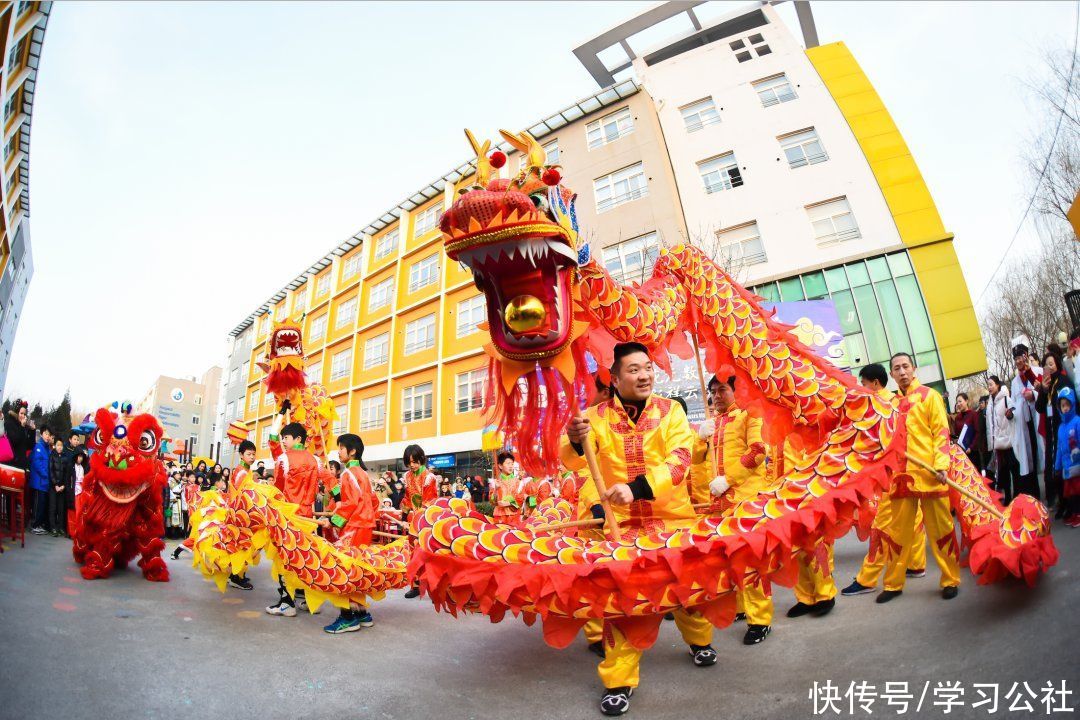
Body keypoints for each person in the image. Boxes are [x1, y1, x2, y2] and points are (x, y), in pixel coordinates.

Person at [563, 342, 715, 716]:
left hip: (673, 521)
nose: (644, 374)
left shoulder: (671, 411)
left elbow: (679, 462)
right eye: (633, 370)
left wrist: (635, 490)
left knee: (687, 593)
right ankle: (618, 680)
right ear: (615, 379)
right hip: (623, 529)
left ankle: (699, 642)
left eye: (647, 367)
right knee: (622, 606)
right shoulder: (595, 418)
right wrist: (572, 436)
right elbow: (579, 462)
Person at [876, 352, 959, 603]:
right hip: (901, 478)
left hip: (930, 474)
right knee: (897, 533)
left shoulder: (929, 396)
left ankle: (950, 578)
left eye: (905, 366)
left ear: (914, 368)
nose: (901, 372)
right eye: (896, 369)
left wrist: (942, 465)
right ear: (891, 375)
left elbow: (940, 432)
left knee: (942, 530)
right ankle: (892, 584)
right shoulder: (888, 406)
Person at [696, 375, 774, 644]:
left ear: (736, 390)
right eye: (713, 391)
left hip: (745, 499)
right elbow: (697, 460)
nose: (717, 396)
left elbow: (759, 450)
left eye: (722, 390)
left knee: (751, 561)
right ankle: (742, 607)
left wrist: (729, 479)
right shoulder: (713, 423)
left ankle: (761, 619)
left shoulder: (749, 415)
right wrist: (699, 439)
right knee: (729, 559)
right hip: (718, 502)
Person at [841, 364, 926, 597]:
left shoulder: (881, 404)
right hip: (905, 472)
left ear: (875, 384)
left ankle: (867, 579)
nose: (862, 388)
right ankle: (916, 564)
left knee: (882, 525)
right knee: (913, 517)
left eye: (864, 384)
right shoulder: (897, 401)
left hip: (891, 475)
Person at [265, 403, 333, 617]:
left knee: (285, 558)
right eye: (283, 438)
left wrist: (280, 413)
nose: (283, 442)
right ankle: (304, 598)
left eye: (287, 438)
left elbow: (277, 489)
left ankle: (287, 602)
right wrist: (339, 503)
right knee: (304, 555)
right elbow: (332, 482)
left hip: (288, 515)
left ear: (298, 440)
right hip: (308, 517)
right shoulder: (316, 460)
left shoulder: (283, 460)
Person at [320, 433, 378, 633]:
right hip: (365, 527)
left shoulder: (348, 473)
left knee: (343, 569)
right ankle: (361, 613)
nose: (338, 451)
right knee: (357, 569)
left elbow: (349, 503)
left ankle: (347, 617)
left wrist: (332, 521)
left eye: (341, 448)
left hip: (353, 527)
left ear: (352, 451)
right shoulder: (363, 473)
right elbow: (373, 501)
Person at [1036, 347, 1074, 518]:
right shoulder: (1048, 385)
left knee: (1066, 468)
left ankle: (1069, 504)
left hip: (1064, 429)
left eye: (1051, 364)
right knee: (1054, 468)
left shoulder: (1064, 381)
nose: (1049, 367)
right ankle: (1062, 502)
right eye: (1046, 365)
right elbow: (1039, 408)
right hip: (1052, 433)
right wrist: (1043, 391)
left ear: (1057, 364)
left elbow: (1069, 405)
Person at [400, 444, 437, 599]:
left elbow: (430, 500)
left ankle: (433, 585)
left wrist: (420, 518)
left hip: (425, 519)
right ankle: (414, 585)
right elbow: (408, 498)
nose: (412, 466)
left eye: (415, 462)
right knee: (413, 553)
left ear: (422, 459)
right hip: (412, 519)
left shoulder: (429, 477)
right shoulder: (408, 476)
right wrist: (403, 515)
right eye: (409, 463)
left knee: (428, 553)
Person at [1010, 344, 1043, 499]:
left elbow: (1042, 391)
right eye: (1016, 358)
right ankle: (1034, 495)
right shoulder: (1015, 381)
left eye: (1020, 357)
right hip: (1025, 425)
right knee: (1028, 461)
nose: (1018, 361)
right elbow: (1014, 403)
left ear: (1026, 355)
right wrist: (1011, 412)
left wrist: (1033, 395)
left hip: (1038, 419)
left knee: (1042, 454)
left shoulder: (1038, 372)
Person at [986, 375, 1018, 503]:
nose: (989, 387)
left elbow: (1014, 413)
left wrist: (1010, 415)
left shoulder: (1005, 398)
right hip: (998, 444)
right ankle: (1009, 497)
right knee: (1003, 473)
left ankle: (1017, 496)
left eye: (991, 384)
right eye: (988, 385)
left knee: (1014, 469)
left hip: (1008, 441)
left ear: (998, 385)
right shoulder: (990, 402)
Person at [1053, 386, 1080, 526]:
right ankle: (1075, 513)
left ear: (1073, 404)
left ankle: (1078, 514)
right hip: (1066, 467)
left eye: (1067, 404)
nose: (1065, 408)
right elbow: (1058, 447)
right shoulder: (1061, 427)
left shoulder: (1077, 422)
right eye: (1062, 405)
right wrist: (1057, 465)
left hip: (1077, 464)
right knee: (1070, 493)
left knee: (1077, 492)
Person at [28, 425, 54, 534]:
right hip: (39, 482)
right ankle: (34, 525)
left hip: (44, 483)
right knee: (38, 504)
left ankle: (38, 524)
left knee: (42, 504)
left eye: (49, 434)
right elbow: (37, 463)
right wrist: (46, 475)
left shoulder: (47, 448)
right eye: (46, 434)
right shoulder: (39, 446)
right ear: (42, 434)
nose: (48, 436)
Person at [492, 451, 523, 526]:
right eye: (508, 463)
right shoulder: (495, 482)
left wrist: (508, 503)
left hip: (514, 515)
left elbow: (521, 499)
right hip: (499, 516)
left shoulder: (518, 482)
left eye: (512, 464)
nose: (511, 466)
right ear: (500, 466)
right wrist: (496, 489)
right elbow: (492, 501)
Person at [48, 437, 69, 537]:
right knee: (53, 507)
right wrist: (55, 485)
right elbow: (51, 471)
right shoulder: (51, 456)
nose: (60, 447)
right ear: (55, 446)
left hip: (62, 487)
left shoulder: (65, 457)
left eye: (61, 445)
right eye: (58, 445)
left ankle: (60, 527)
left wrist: (64, 485)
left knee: (61, 508)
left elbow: (66, 473)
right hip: (53, 487)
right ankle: (53, 528)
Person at [950, 393, 979, 465]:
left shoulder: (973, 414)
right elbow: (957, 434)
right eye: (957, 402)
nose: (958, 404)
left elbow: (978, 432)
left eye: (960, 401)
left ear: (966, 401)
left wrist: (971, 447)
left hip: (973, 451)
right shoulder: (957, 417)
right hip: (962, 452)